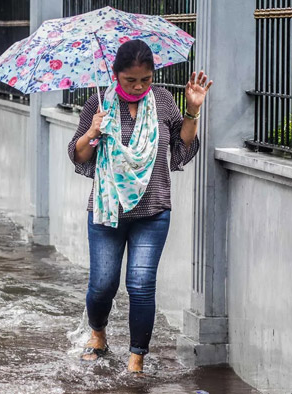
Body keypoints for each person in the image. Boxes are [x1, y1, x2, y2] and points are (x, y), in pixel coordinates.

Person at [67, 40, 212, 373]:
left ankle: (136, 360)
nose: (138, 86)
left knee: (141, 284)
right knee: (103, 284)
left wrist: (192, 110)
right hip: (107, 211)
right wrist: (92, 131)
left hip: (153, 210)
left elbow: (181, 147)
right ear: (116, 75)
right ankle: (98, 334)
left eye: (145, 79)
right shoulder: (98, 103)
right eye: (131, 80)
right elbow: (78, 155)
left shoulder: (161, 100)